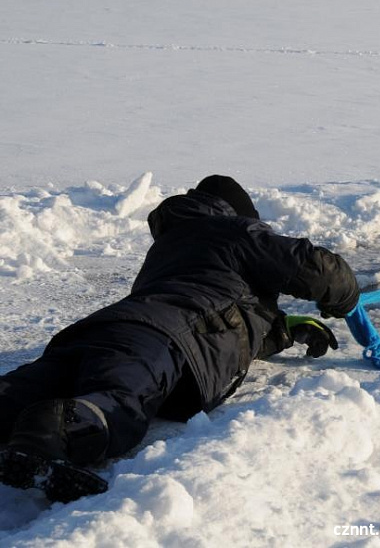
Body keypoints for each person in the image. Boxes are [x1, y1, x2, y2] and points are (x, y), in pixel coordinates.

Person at [0, 175, 358, 502]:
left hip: (102, 330)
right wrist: (346, 295)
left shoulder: (168, 247)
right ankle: (50, 432)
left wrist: (281, 330)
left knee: (32, 385)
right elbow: (313, 267)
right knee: (120, 401)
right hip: (159, 340)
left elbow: (218, 313)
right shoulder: (237, 231)